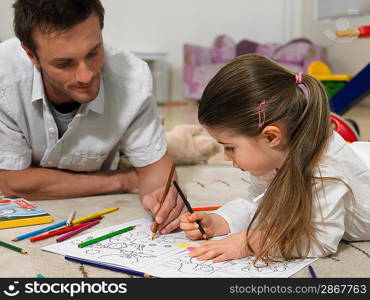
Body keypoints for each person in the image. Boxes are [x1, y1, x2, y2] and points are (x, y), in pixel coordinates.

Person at [0, 0, 183, 235]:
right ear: (30, 54)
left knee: (176, 146)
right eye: (64, 63)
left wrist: (162, 201)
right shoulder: (4, 78)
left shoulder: (133, 78)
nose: (85, 76)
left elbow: (155, 171)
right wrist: (125, 181)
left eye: (93, 53)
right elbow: (12, 182)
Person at [180, 54, 370, 264]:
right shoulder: (272, 154)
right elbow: (264, 209)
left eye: (231, 148)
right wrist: (220, 221)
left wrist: (253, 241)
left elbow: (321, 239)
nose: (226, 157)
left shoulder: (324, 168)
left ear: (271, 137)